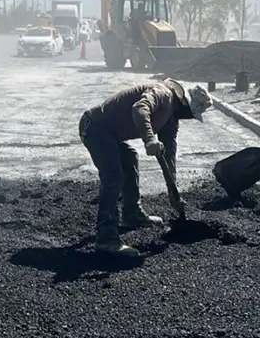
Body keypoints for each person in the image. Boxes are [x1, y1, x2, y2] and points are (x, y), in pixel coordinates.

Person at [79, 80, 212, 257]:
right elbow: (139, 108)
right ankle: (106, 240)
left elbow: (168, 154)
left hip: (109, 134)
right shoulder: (162, 94)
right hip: (95, 127)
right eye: (190, 114)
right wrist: (149, 139)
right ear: (185, 105)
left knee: (130, 158)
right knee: (113, 176)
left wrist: (173, 191)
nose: (188, 118)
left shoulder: (171, 119)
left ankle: (132, 214)